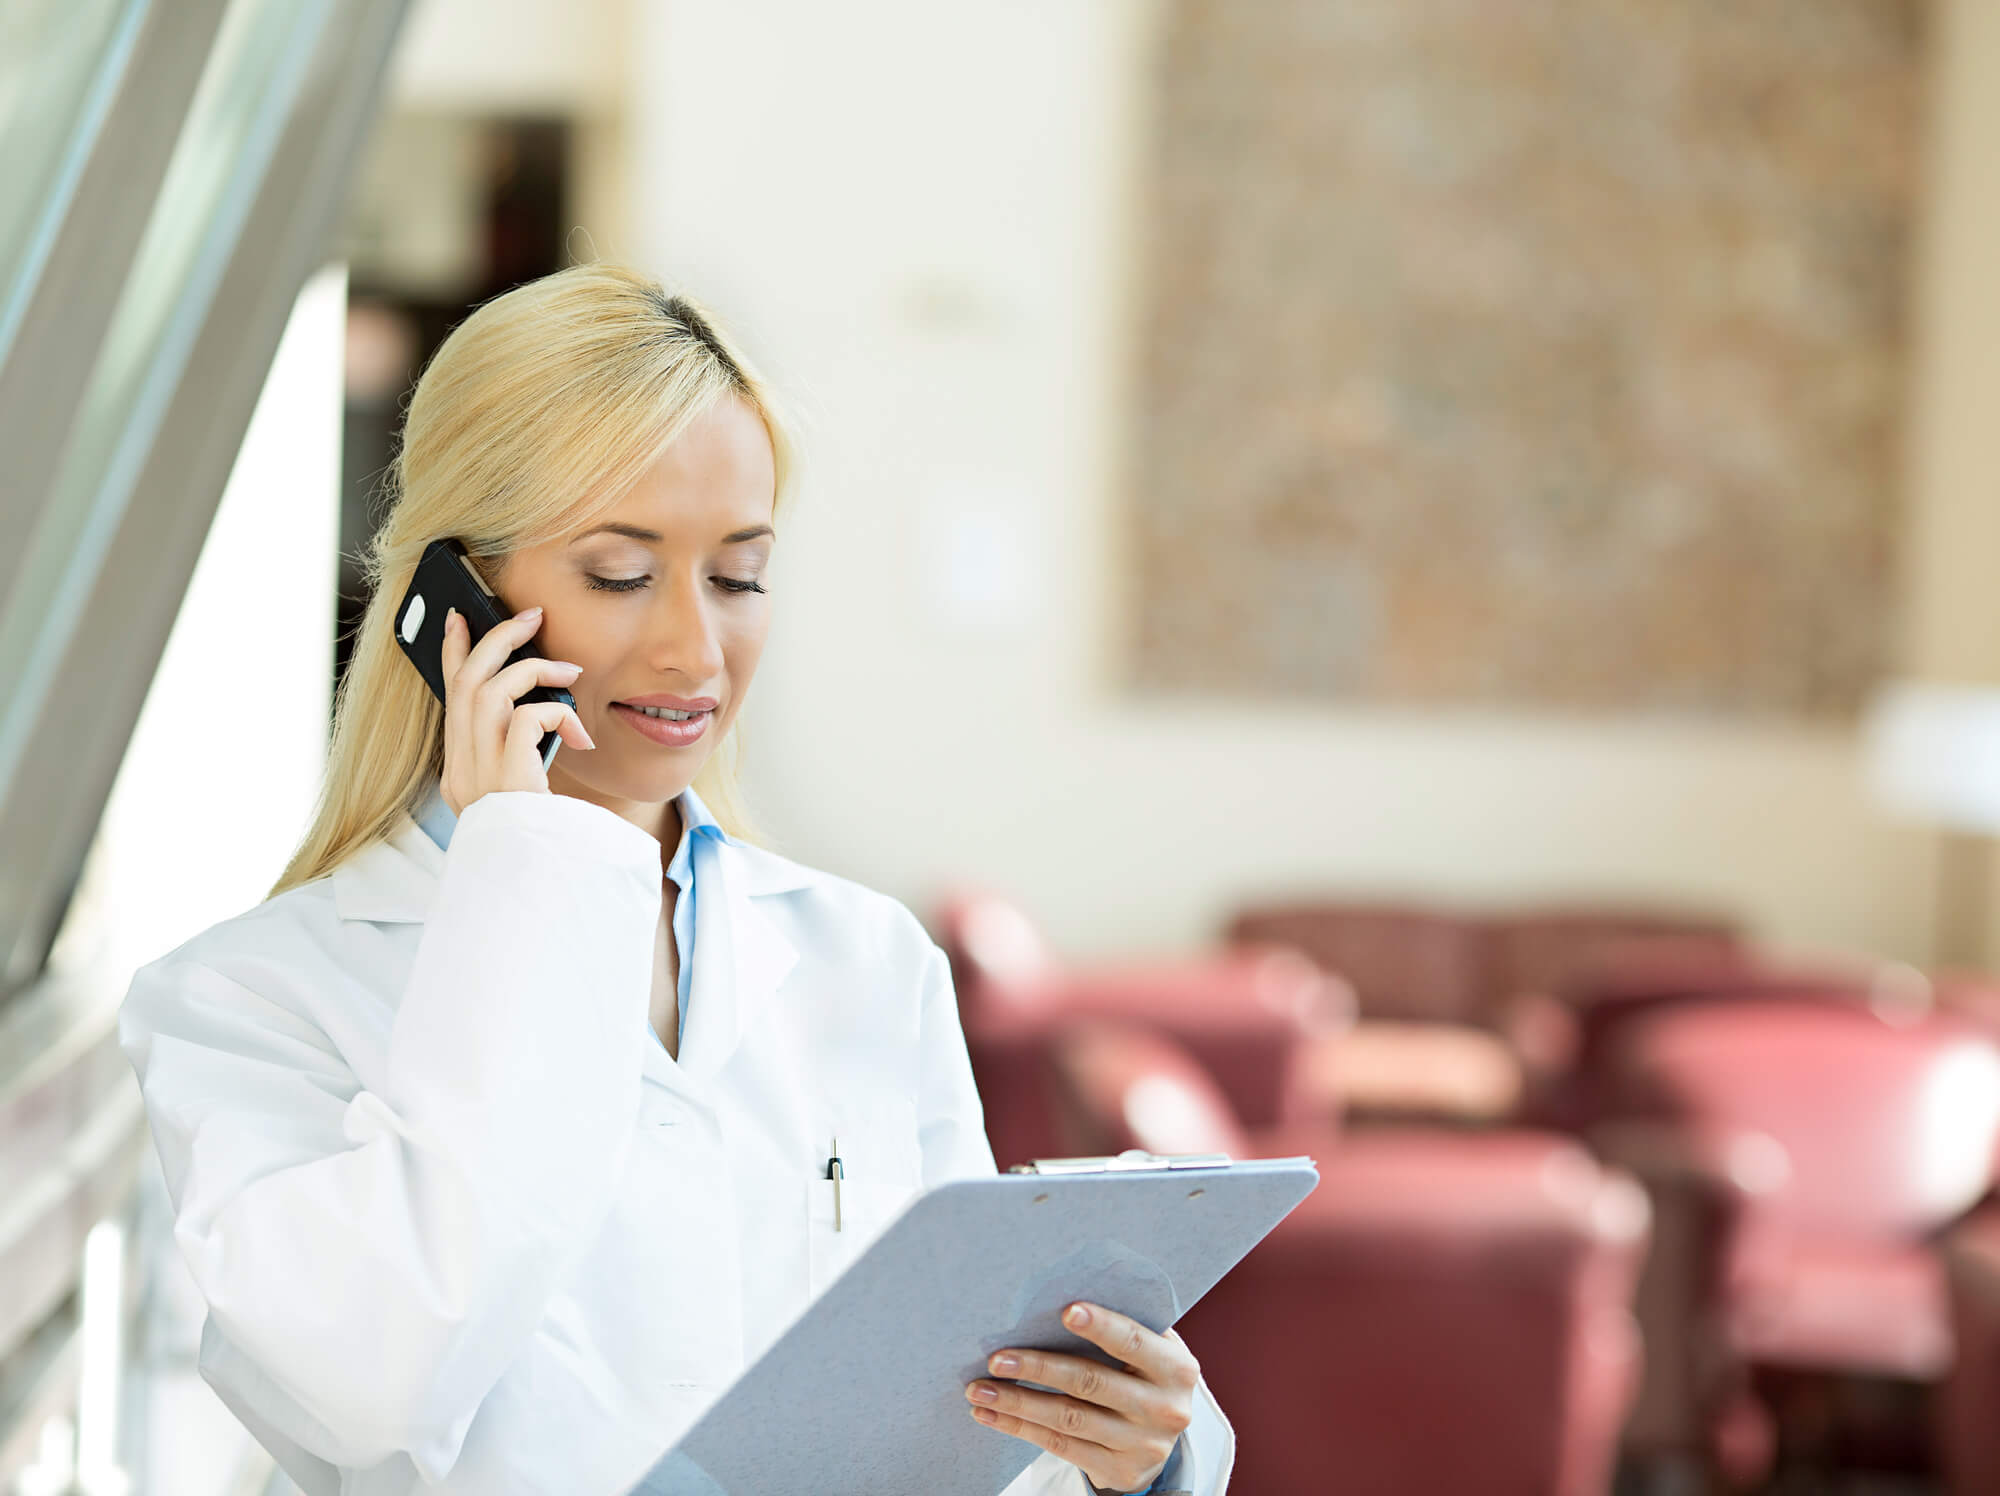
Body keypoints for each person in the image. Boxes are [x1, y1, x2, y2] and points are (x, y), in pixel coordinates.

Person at [118, 263, 1232, 1495]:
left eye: (738, 575)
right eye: (618, 573)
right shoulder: (247, 1001)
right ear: (458, 604)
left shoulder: (864, 963)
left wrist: (1130, 1456)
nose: (694, 648)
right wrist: (522, 873)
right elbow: (374, 1393)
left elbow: (962, 1438)